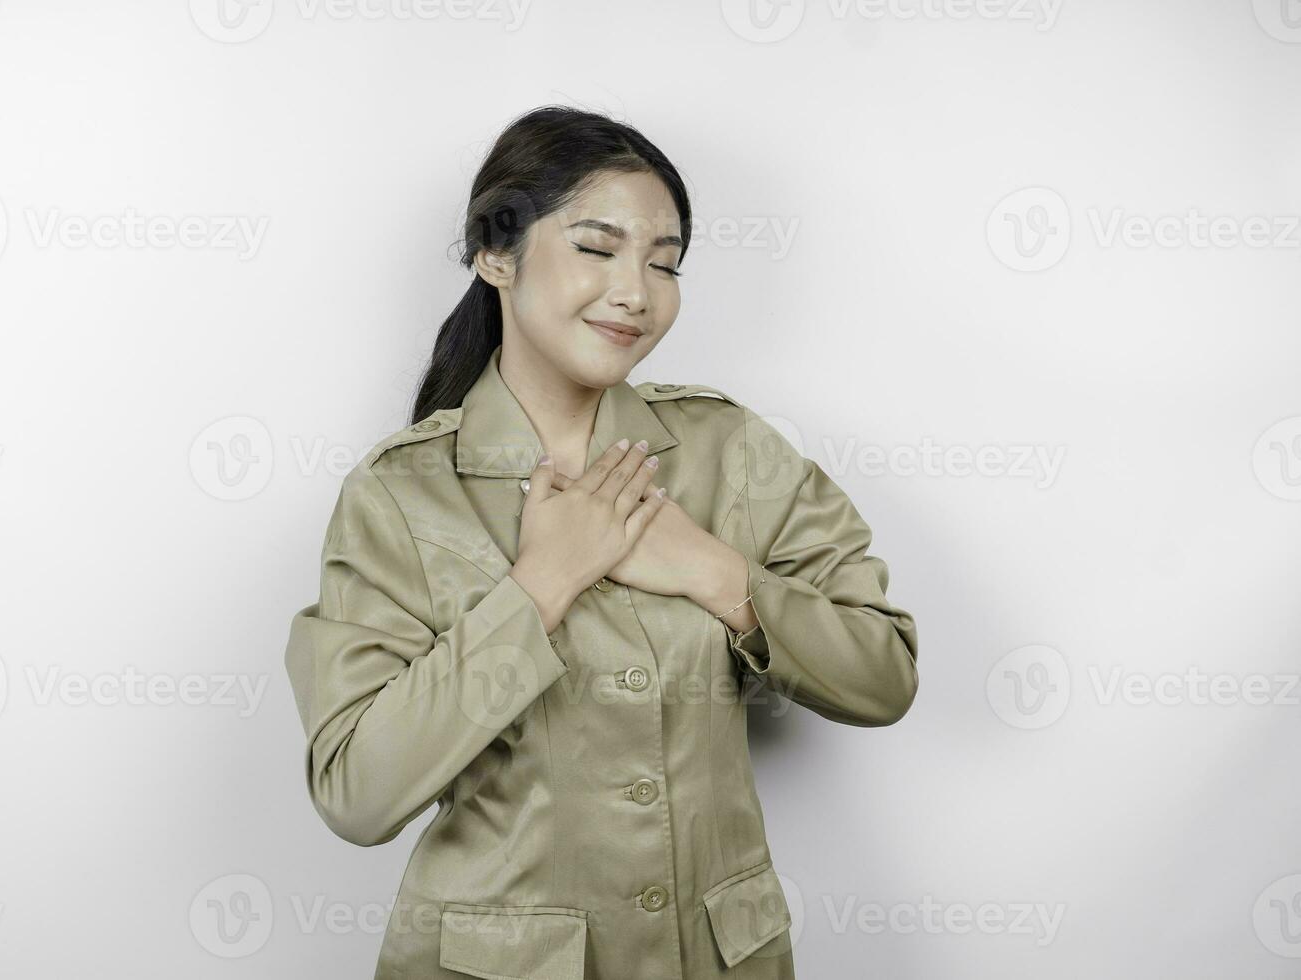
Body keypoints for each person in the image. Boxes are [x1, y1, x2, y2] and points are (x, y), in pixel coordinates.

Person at [282, 105, 919, 979]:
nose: (637, 291)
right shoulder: (402, 494)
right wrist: (540, 586)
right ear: (495, 254)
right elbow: (357, 792)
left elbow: (883, 676)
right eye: (596, 247)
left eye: (664, 262)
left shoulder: (730, 450)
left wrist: (710, 569)